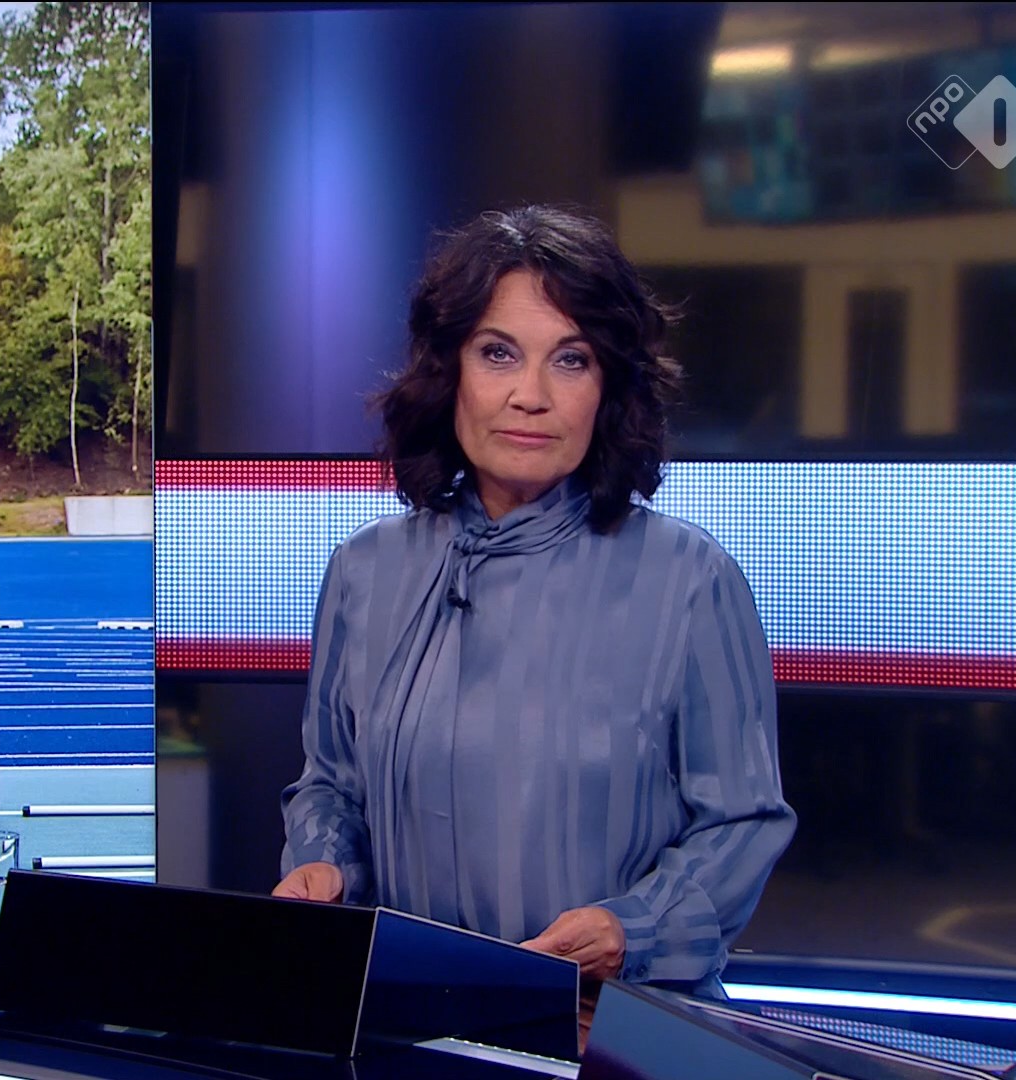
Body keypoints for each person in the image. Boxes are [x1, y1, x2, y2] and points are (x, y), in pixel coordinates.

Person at [273, 205, 796, 1038]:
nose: (530, 396)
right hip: (412, 1028)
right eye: (498, 353)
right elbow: (331, 783)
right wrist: (323, 865)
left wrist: (633, 929)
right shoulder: (363, 573)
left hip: (615, 1034)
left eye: (571, 360)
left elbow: (743, 822)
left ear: (608, 387)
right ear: (450, 371)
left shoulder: (690, 579)